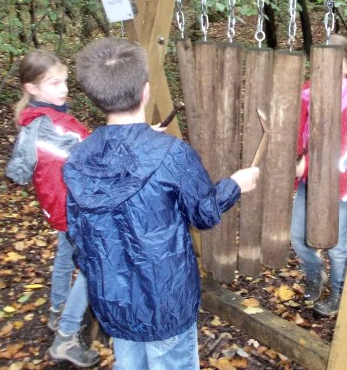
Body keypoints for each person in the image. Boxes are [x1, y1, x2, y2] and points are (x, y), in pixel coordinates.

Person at [63, 37, 260, 370]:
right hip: (165, 301)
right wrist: (235, 185)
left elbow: (78, 237)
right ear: (146, 91)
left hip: (113, 299)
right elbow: (203, 213)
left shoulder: (79, 157)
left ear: (97, 99)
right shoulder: (171, 154)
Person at [5, 50, 100, 367]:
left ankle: (58, 310)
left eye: (65, 81)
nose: (64, 89)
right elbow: (94, 153)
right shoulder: (51, 126)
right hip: (74, 207)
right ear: (32, 89)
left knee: (64, 255)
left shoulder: (39, 120)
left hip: (59, 207)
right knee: (94, 266)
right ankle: (66, 337)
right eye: (54, 83)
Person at [290, 34, 347, 317]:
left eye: (335, 65)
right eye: (321, 65)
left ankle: (339, 290)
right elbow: (299, 131)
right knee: (297, 237)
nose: (326, 72)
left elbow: (346, 152)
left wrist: (307, 163)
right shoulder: (307, 93)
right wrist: (296, 157)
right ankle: (314, 274)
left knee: (335, 246)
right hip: (309, 182)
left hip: (340, 186)